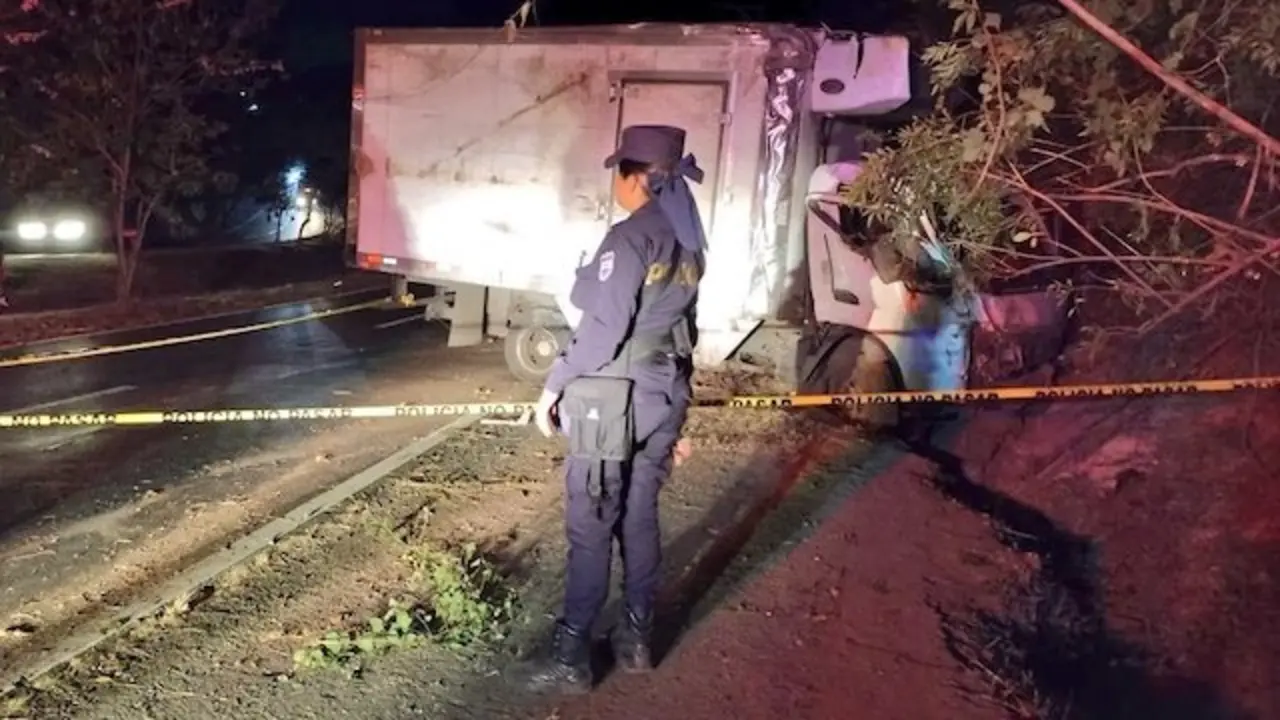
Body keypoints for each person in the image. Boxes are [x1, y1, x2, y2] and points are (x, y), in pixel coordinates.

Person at [506, 125, 708, 695]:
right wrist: (676, 419)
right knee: (639, 517)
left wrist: (551, 388)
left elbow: (602, 331)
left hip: (612, 398)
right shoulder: (690, 240)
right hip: (663, 392)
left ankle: (570, 657)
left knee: (592, 526)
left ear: (637, 178)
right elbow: (685, 329)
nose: (614, 182)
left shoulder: (628, 239)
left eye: (618, 171)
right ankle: (637, 641)